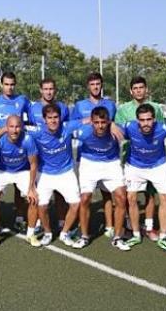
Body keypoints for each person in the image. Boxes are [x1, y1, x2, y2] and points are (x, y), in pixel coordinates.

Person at [122, 104, 166, 251]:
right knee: (131, 198)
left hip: (158, 166)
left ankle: (163, 237)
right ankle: (135, 234)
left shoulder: (162, 128)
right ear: (137, 120)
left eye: (149, 119)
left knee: (165, 198)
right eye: (142, 120)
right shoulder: (129, 127)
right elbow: (114, 132)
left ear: (154, 119)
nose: (146, 123)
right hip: (135, 166)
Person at [115, 76, 166, 241]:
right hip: (130, 158)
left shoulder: (156, 108)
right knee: (131, 194)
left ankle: (150, 227)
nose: (138, 91)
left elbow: (160, 129)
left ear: (146, 89)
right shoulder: (123, 110)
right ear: (131, 91)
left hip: (153, 158)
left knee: (150, 194)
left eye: (141, 88)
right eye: (135, 88)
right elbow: (118, 131)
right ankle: (131, 226)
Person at [73, 106, 130, 251]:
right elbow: (63, 128)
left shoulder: (116, 130)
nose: (100, 126)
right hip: (89, 163)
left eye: (103, 122)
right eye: (97, 122)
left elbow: (135, 129)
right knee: (85, 198)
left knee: (121, 197)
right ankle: (84, 236)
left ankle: (117, 238)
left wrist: (115, 126)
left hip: (111, 163)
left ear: (108, 121)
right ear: (91, 121)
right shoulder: (82, 132)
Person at [71, 72, 118, 239]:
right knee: (85, 196)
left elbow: (115, 124)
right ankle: (81, 227)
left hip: (108, 156)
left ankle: (110, 226)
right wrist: (83, 121)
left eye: (98, 84)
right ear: (88, 87)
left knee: (107, 194)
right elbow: (71, 125)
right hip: (86, 157)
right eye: (92, 84)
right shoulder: (79, 105)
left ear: (102, 85)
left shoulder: (110, 105)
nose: (95, 87)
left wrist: (112, 124)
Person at [28, 104, 82, 247]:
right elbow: (15, 126)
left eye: (56, 117)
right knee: (42, 206)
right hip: (45, 173)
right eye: (50, 118)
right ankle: (47, 233)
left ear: (60, 118)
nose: (53, 121)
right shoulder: (37, 132)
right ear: (44, 120)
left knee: (76, 204)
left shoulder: (68, 127)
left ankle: (64, 233)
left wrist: (111, 125)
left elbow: (89, 120)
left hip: (66, 172)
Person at [0, 72, 30, 233]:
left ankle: (19, 218)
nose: (9, 87)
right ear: (1, 84)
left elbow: (29, 121)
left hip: (18, 146)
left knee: (21, 191)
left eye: (12, 84)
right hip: (0, 148)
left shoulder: (22, 100)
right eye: (6, 84)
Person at [0, 115, 39, 248]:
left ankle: (31, 234)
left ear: (21, 127)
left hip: (22, 171)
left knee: (34, 198)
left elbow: (33, 164)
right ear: (6, 128)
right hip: (2, 170)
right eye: (11, 127)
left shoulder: (28, 140)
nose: (14, 130)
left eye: (17, 127)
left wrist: (31, 187)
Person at [27, 78, 71, 233]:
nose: (49, 92)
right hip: (38, 156)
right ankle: (38, 221)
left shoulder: (63, 108)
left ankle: (61, 220)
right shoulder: (33, 109)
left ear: (55, 90)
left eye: (51, 89)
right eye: (45, 89)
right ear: (41, 90)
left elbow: (65, 129)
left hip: (58, 155)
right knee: (39, 192)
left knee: (59, 192)